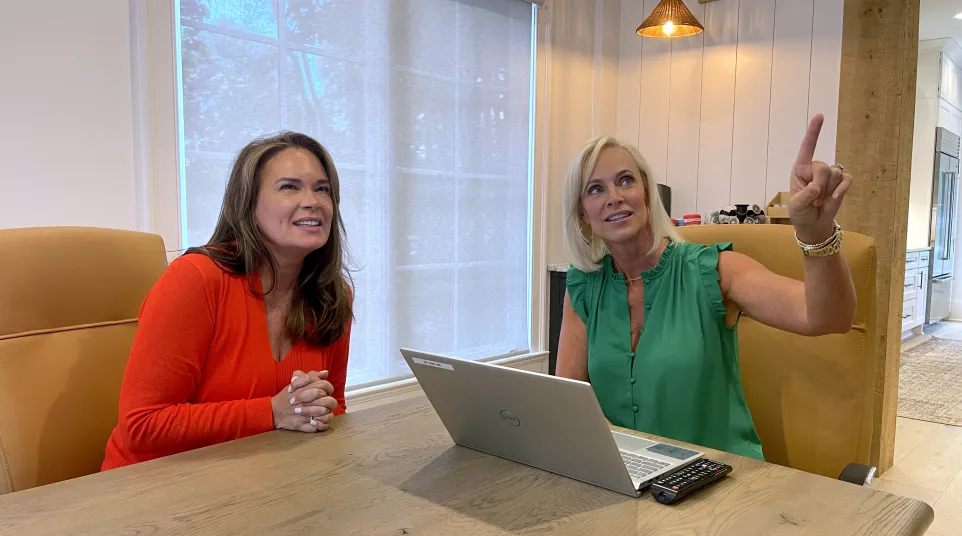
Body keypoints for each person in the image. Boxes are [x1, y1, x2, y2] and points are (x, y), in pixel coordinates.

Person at [556, 114, 856, 460]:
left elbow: (826, 318)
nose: (614, 197)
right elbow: (571, 396)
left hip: (717, 482)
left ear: (647, 195)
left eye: (626, 181)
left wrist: (815, 234)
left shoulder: (711, 270)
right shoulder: (584, 284)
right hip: (630, 480)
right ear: (582, 212)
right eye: (596, 189)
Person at [102, 132, 353, 470]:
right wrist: (272, 412)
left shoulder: (332, 295)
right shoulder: (196, 279)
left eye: (322, 189)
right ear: (248, 204)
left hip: (257, 480)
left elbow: (334, 405)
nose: (313, 201)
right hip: (152, 488)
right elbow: (142, 425)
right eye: (289, 187)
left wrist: (314, 408)